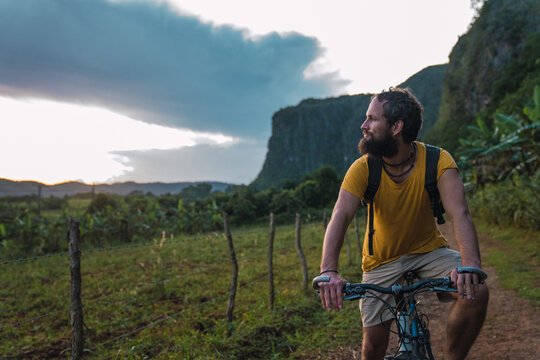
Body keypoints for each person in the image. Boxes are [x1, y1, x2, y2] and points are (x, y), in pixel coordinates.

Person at [317, 87, 489, 360]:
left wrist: (470, 266)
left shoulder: (437, 161)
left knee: (476, 291)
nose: (364, 126)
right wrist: (329, 271)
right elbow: (340, 216)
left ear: (396, 126)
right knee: (373, 348)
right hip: (380, 262)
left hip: (429, 252)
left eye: (372, 119)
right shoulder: (363, 168)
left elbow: (460, 213)